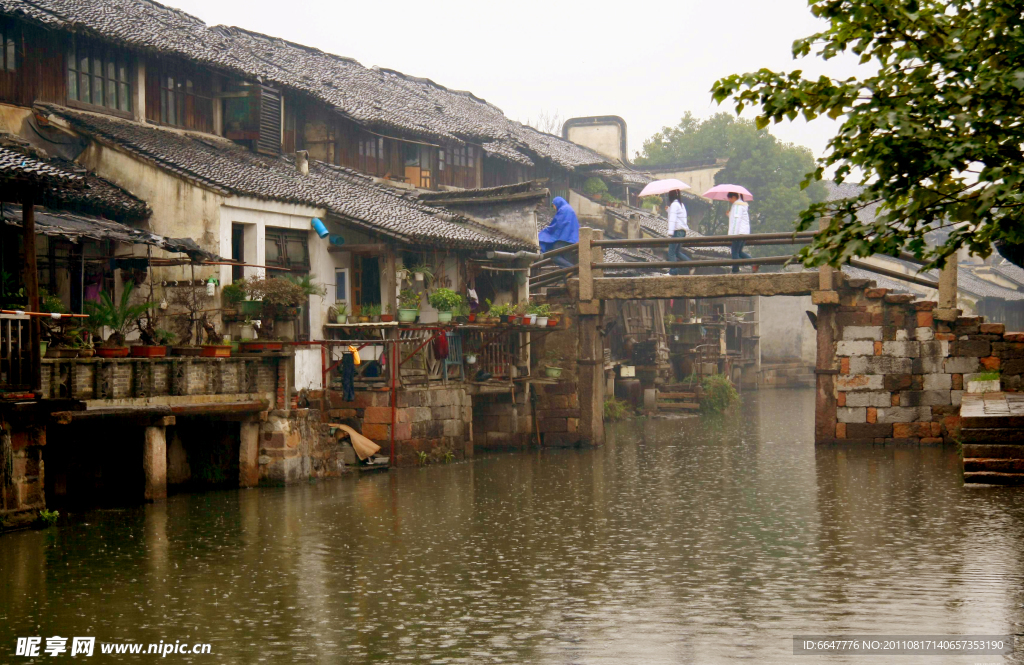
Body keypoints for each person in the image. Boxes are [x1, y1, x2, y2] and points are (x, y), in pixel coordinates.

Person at [538, 196, 579, 268]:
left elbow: (557, 225)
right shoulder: (569, 209)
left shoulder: (563, 210)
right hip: (571, 239)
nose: (554, 207)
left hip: (562, 239)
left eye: (553, 205)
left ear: (557, 203)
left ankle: (572, 269)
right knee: (566, 258)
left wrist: (544, 233)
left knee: (554, 255)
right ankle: (569, 274)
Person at [726, 191, 754, 273]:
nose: (729, 201)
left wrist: (732, 235)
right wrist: (730, 215)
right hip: (744, 232)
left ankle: (735, 270)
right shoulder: (742, 206)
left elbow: (736, 221)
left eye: (730, 199)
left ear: (734, 197)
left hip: (738, 233)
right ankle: (754, 263)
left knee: (734, 252)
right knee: (739, 252)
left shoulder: (737, 206)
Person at [666, 190, 691, 275]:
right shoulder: (681, 204)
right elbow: (678, 217)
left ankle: (673, 272)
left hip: (676, 232)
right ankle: (691, 264)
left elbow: (672, 219)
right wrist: (669, 210)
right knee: (677, 252)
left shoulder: (674, 205)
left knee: (671, 252)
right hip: (682, 232)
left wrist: (670, 232)